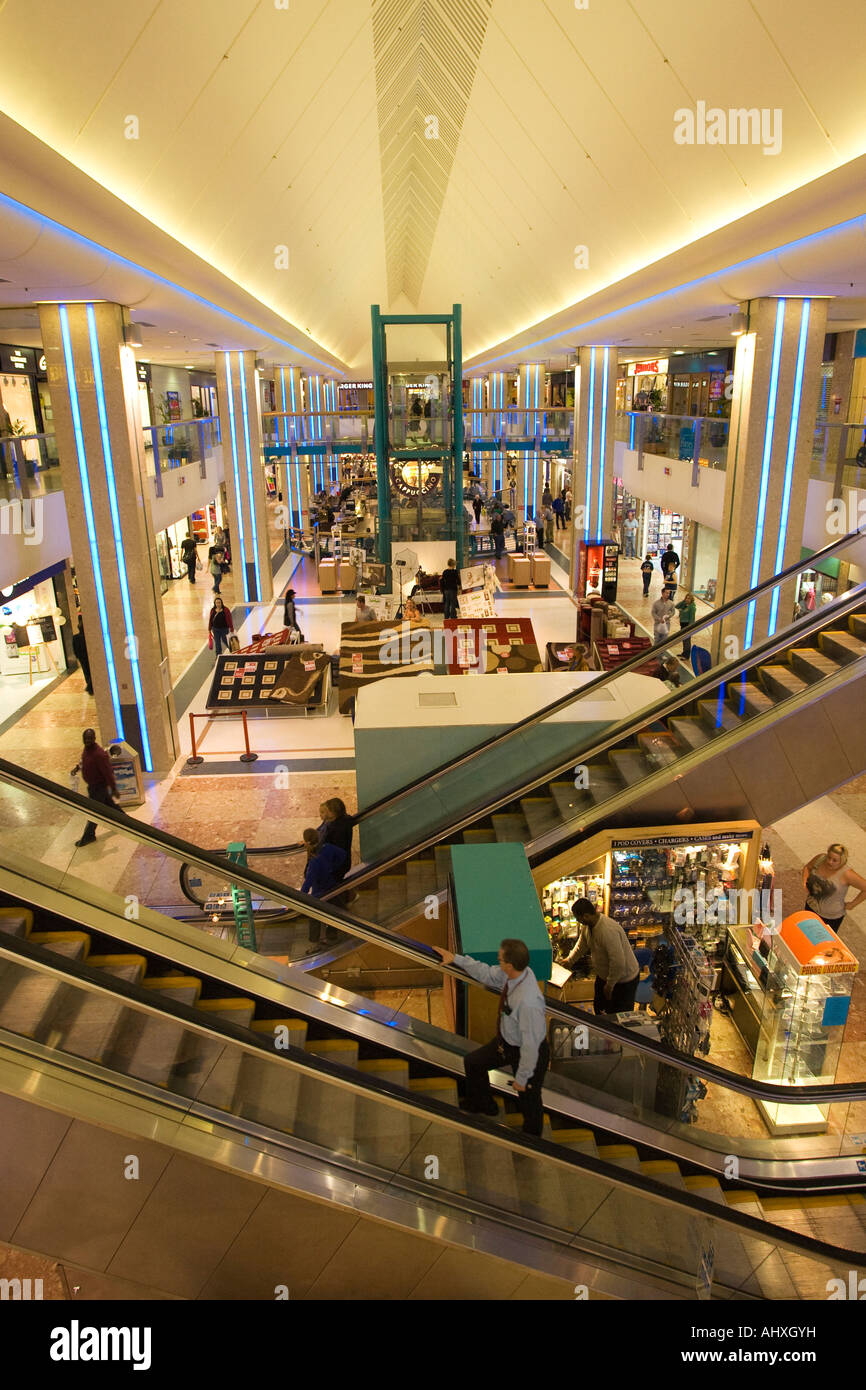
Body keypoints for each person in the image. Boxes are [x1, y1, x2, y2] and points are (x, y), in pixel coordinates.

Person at [434, 939, 549, 1135]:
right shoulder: (513, 975)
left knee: (529, 1098)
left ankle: (532, 1139)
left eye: (500, 959)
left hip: (529, 1053)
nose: (498, 961)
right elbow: (486, 972)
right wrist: (455, 959)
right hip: (507, 1043)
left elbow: (531, 1044)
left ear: (510, 965)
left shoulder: (529, 1001)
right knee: (473, 1063)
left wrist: (522, 1077)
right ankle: (484, 1105)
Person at [570, 899, 639, 1015]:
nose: (578, 921)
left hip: (623, 981)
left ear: (586, 916)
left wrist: (609, 985)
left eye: (578, 918)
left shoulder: (608, 930)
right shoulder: (587, 927)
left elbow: (618, 963)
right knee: (599, 1008)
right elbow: (582, 945)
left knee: (618, 1017)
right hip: (605, 977)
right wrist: (569, 960)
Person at [70, 728, 124, 847]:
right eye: (85, 738)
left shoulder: (99, 754)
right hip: (94, 787)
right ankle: (126, 821)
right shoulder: (87, 750)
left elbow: (108, 772)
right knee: (111, 805)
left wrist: (114, 788)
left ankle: (89, 836)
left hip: (98, 787)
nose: (87, 740)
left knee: (94, 813)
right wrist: (76, 769)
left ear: (94, 739)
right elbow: (82, 762)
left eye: (90, 738)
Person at [802, 844, 866, 931]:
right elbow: (807, 867)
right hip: (810, 906)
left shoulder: (847, 874)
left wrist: (852, 904)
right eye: (829, 857)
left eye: (834, 860)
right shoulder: (820, 859)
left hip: (830, 917)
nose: (829, 862)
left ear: (842, 861)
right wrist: (805, 882)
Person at [302, 827, 347, 948]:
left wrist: (301, 896)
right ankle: (332, 936)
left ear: (306, 842)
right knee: (333, 912)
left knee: (314, 916)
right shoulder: (327, 847)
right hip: (332, 887)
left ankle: (314, 943)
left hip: (319, 893)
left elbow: (308, 881)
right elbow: (343, 854)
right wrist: (333, 867)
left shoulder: (314, 861)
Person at [71, 616, 93, 695]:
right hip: (88, 656)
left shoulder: (76, 637)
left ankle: (89, 685)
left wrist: (77, 656)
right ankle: (91, 686)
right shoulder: (88, 637)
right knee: (91, 670)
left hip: (82, 657)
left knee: (86, 670)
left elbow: (75, 648)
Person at [674, 591, 696, 657]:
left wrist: (690, 628)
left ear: (691, 599)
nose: (687, 599)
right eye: (686, 598)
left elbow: (692, 618)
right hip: (683, 625)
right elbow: (677, 606)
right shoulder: (685, 605)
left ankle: (686, 655)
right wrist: (683, 601)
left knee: (687, 641)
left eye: (689, 598)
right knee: (684, 639)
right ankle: (684, 653)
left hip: (687, 625)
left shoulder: (692, 607)